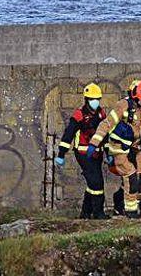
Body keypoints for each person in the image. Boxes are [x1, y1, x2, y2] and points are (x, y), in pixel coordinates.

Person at [89, 80, 141, 218]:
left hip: (135, 147)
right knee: (131, 176)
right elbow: (106, 124)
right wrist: (94, 143)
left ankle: (126, 205)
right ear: (135, 96)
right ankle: (130, 212)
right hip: (119, 148)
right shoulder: (123, 105)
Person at [55, 83, 109, 219]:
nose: (95, 102)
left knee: (92, 182)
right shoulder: (79, 115)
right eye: (92, 99)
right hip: (83, 153)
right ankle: (98, 213)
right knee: (97, 182)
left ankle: (85, 212)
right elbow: (68, 135)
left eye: (97, 99)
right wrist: (61, 154)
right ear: (86, 100)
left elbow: (106, 135)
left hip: (98, 152)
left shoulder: (101, 114)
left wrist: (108, 153)